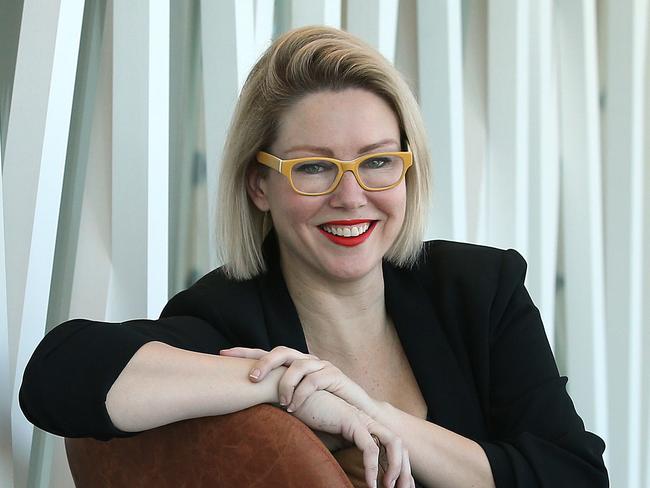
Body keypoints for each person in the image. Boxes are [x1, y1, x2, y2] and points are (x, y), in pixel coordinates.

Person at [19, 26, 608, 488]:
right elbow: (57, 376)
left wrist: (375, 416)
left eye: (377, 161)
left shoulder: (479, 289)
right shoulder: (227, 318)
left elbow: (574, 475)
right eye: (313, 168)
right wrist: (282, 385)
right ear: (259, 185)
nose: (350, 195)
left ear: (408, 170)